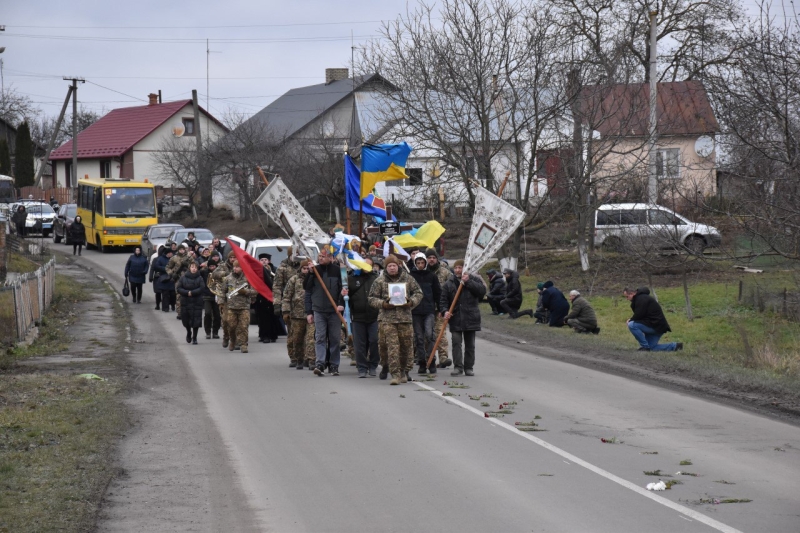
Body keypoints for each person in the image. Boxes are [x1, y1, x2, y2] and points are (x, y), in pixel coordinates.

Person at [368, 254, 423, 385]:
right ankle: (395, 374)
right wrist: (383, 304)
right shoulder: (380, 281)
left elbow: (418, 293)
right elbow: (371, 298)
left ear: (398, 266)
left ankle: (404, 371)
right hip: (387, 320)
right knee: (392, 347)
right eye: (389, 266)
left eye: (394, 265)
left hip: (405, 318)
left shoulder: (408, 279)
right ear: (386, 268)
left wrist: (411, 302)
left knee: (406, 346)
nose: (392, 268)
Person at [440, 259, 486, 377]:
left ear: (465, 269)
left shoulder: (474, 279)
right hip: (456, 317)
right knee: (456, 343)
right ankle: (458, 367)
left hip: (471, 317)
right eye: (456, 268)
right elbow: (443, 300)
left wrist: (468, 282)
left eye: (460, 268)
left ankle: (469, 367)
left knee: (470, 344)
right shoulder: (449, 283)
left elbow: (482, 292)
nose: (457, 270)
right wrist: (445, 311)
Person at [304, 247, 346, 376]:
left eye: (324, 256)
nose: (321, 258)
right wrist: (309, 312)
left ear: (331, 257)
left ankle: (334, 364)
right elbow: (307, 288)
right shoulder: (315, 271)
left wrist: (341, 304)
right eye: (320, 256)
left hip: (334, 311)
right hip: (319, 310)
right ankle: (320, 363)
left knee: (334, 338)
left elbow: (343, 290)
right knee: (320, 337)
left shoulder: (338, 271)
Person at [346, 257, 380, 378]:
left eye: (369, 265)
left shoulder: (376, 279)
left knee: (374, 341)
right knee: (359, 344)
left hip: (374, 316)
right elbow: (346, 296)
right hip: (358, 316)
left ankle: (373, 365)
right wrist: (344, 295)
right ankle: (362, 367)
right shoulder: (351, 279)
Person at [409, 252, 442, 375]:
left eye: (422, 263)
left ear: (426, 263)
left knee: (430, 334)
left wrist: (440, 308)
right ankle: (422, 361)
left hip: (429, 310)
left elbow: (438, 293)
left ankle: (431, 359)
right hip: (415, 310)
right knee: (418, 337)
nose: (420, 265)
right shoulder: (411, 276)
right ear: (415, 264)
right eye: (418, 263)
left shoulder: (432, 276)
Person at [623, 287, 683, 351]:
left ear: (632, 294)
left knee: (632, 325)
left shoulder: (641, 299)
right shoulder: (641, 298)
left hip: (655, 325)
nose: (627, 299)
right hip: (658, 326)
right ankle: (675, 346)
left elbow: (639, 314)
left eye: (627, 297)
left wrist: (631, 320)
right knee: (651, 348)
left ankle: (645, 347)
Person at [282, 260, 316, 370]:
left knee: (311, 338)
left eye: (308, 268)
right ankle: (299, 359)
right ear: (300, 269)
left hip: (312, 313)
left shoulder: (315, 278)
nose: (306, 270)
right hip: (297, 315)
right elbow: (287, 296)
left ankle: (311, 360)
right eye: (304, 268)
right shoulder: (294, 280)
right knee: (297, 338)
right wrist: (286, 311)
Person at [425, 248, 453, 368]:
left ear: (437, 259)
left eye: (433, 257)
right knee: (427, 334)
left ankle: (443, 357)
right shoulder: (423, 271)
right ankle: (428, 358)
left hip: (440, 309)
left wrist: (446, 306)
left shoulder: (445, 272)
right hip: (426, 309)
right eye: (429, 257)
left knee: (440, 333)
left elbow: (452, 287)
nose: (431, 260)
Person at [221, 260, 257, 353]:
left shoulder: (248, 279)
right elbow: (222, 292)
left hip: (244, 307)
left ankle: (243, 344)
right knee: (231, 327)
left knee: (244, 327)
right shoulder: (228, 278)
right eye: (234, 267)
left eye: (237, 267)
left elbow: (255, 292)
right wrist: (221, 303)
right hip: (231, 307)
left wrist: (245, 292)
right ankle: (233, 340)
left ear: (242, 268)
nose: (235, 268)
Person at [176, 262, 206, 344]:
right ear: (189, 268)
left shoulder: (200, 278)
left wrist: (192, 293)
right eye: (192, 267)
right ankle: (189, 332)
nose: (194, 269)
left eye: (195, 267)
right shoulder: (183, 277)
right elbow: (179, 288)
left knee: (196, 320)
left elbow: (202, 288)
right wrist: (187, 292)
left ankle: (195, 338)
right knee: (186, 320)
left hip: (197, 301)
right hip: (186, 301)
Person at [212, 251, 235, 348]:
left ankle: (235, 339)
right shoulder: (223, 266)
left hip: (235, 297)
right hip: (223, 296)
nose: (233, 259)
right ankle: (226, 336)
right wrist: (225, 273)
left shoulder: (240, 267)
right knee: (225, 320)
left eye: (235, 257)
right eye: (231, 257)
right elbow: (214, 274)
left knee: (235, 320)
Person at [255, 253, 278, 343]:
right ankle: (264, 335)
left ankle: (273, 335)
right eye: (262, 260)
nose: (264, 261)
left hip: (272, 295)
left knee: (273, 316)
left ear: (269, 261)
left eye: (265, 260)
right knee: (262, 317)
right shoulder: (257, 270)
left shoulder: (274, 270)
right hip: (261, 296)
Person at [167, 244, 193, 320]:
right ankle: (180, 313)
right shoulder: (174, 258)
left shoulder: (189, 258)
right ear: (178, 250)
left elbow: (195, 266)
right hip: (178, 279)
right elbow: (168, 267)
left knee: (189, 296)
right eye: (180, 249)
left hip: (188, 279)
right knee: (179, 296)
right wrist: (172, 274)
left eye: (183, 249)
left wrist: (188, 265)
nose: (182, 251)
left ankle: (188, 313)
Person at [200, 256, 222, 340]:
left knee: (217, 315)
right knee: (208, 313)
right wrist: (201, 266)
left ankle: (215, 332)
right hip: (207, 296)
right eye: (210, 266)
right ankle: (208, 332)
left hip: (217, 296)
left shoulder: (219, 273)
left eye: (213, 266)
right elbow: (196, 272)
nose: (212, 268)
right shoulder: (205, 272)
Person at [153, 247, 176, 314]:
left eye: (171, 253)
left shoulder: (174, 258)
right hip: (164, 279)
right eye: (169, 253)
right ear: (167, 253)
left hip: (172, 278)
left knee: (172, 294)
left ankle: (172, 305)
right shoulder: (160, 259)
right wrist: (166, 269)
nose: (171, 254)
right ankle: (165, 307)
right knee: (165, 294)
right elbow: (156, 266)